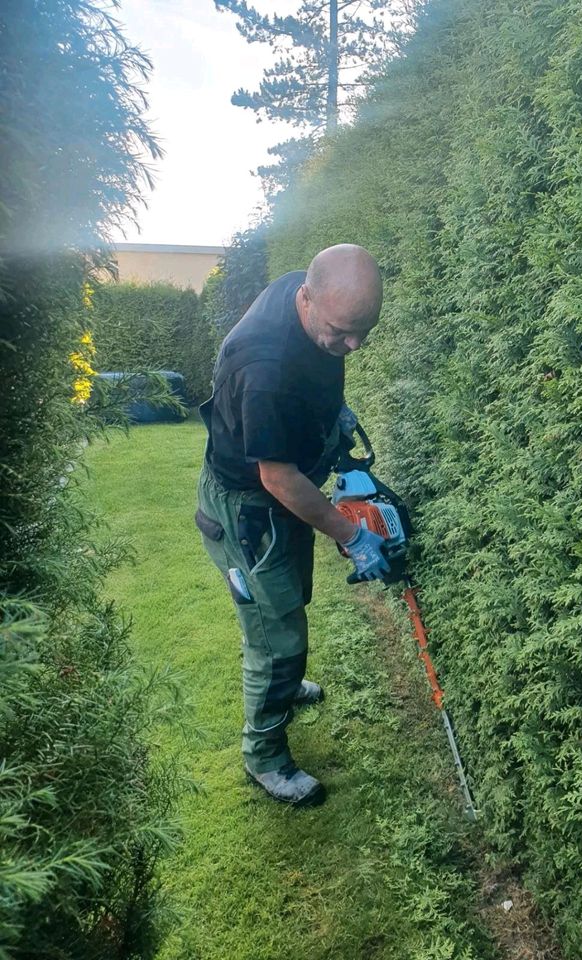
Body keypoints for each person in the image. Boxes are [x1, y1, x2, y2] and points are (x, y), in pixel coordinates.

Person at [196, 244, 391, 807]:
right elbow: (278, 479)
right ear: (307, 299)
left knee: (290, 598)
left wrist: (334, 415)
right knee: (276, 634)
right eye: (341, 332)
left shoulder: (305, 294)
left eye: (363, 331)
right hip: (246, 509)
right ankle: (265, 756)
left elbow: (320, 371)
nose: (351, 346)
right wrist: (350, 533)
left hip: (276, 499)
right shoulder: (265, 369)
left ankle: (283, 686)